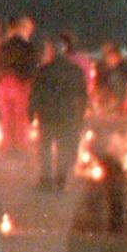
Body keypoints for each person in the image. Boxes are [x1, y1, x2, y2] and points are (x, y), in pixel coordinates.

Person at [29, 36, 91, 194]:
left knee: (45, 147)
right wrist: (81, 114)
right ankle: (61, 180)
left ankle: (46, 179)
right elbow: (82, 95)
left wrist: (31, 112)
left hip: (47, 115)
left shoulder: (44, 70)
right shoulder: (75, 71)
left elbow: (35, 93)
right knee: (63, 147)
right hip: (67, 115)